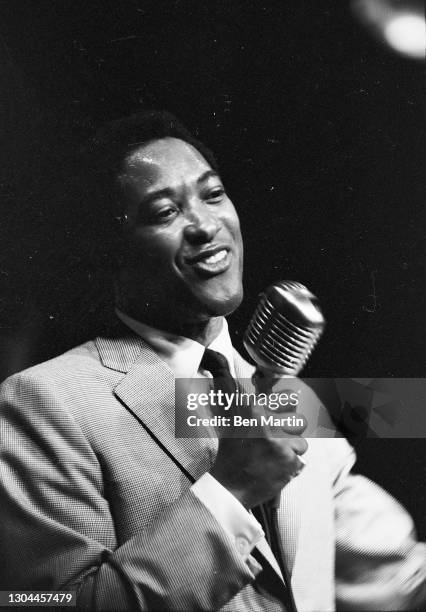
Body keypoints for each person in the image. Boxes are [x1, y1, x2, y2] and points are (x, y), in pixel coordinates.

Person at [0, 111, 424, 612]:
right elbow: (44, 605)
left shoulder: (287, 398)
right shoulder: (46, 401)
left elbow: (391, 571)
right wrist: (230, 490)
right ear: (113, 249)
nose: (204, 225)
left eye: (213, 193)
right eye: (164, 212)